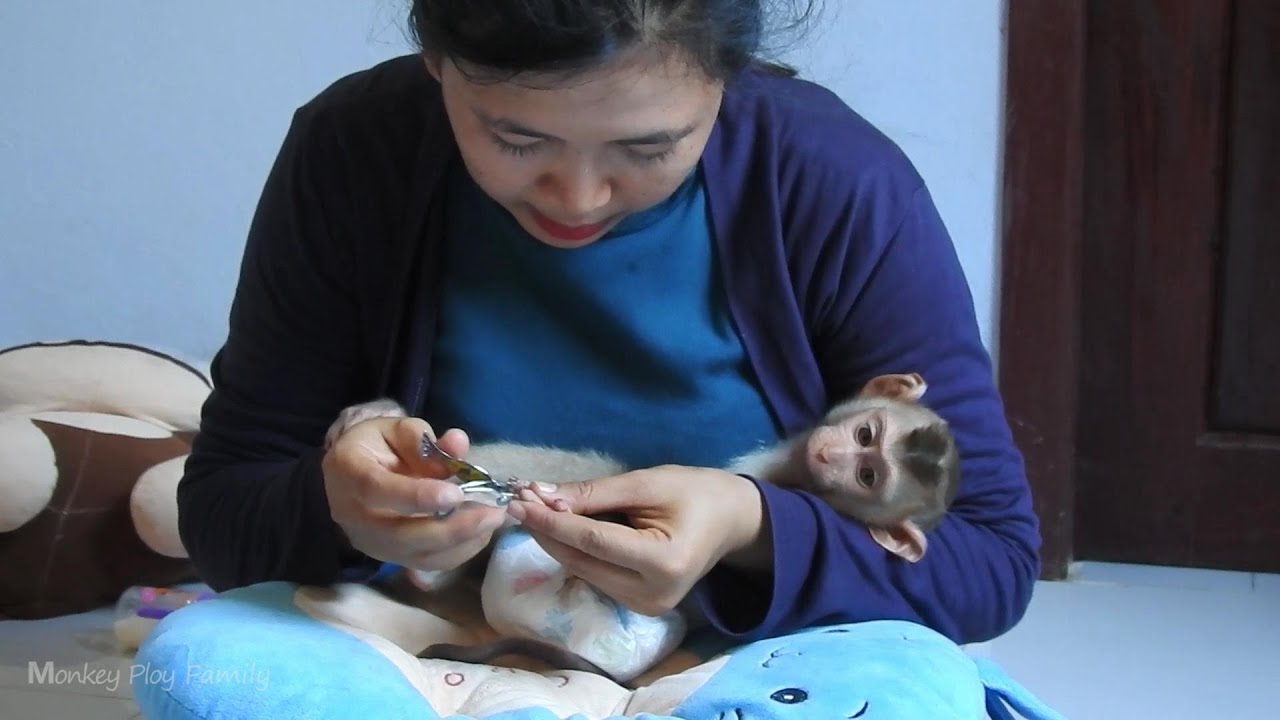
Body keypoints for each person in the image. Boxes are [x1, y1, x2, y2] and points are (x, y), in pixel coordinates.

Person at [177, 0, 1041, 654]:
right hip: (440, 639)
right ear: (437, 61)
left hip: (733, 661)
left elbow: (991, 560)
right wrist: (338, 509)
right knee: (203, 663)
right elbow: (221, 511)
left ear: (726, 80)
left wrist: (751, 527)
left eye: (647, 149)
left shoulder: (837, 181)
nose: (579, 198)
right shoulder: (355, 152)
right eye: (517, 140)